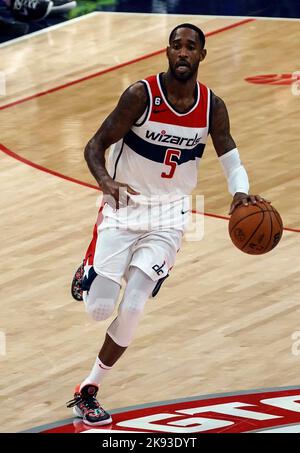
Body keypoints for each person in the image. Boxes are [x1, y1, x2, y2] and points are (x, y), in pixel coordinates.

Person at [66, 23, 265, 426]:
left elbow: (230, 155)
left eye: (191, 47)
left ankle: (88, 388)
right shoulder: (140, 95)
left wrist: (240, 192)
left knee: (135, 306)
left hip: (169, 216)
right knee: (99, 309)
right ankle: (89, 269)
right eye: (176, 46)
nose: (183, 53)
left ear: (202, 56)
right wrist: (106, 183)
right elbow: (94, 147)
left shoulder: (212, 107)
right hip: (124, 209)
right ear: (168, 52)